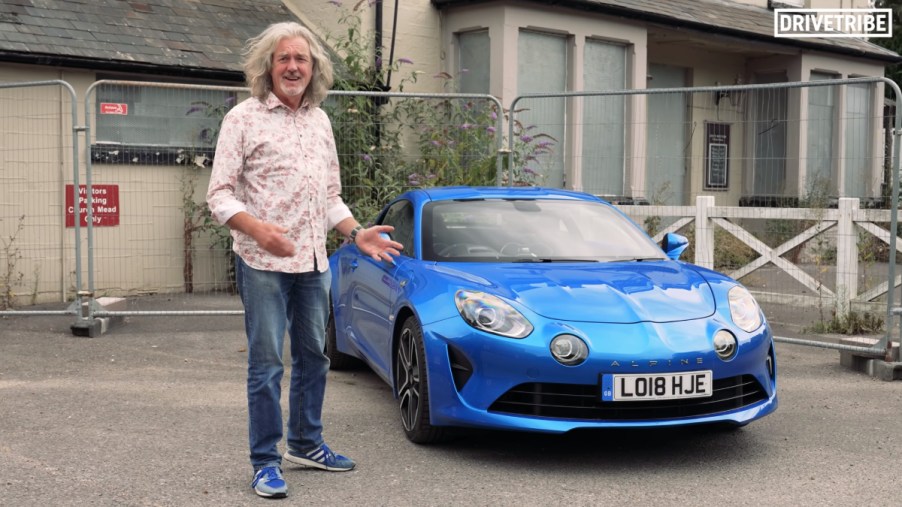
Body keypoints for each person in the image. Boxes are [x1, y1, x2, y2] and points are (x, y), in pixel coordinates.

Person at [206, 22, 402, 499]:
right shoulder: (243, 119)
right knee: (267, 364)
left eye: (301, 59)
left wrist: (356, 233)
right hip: (261, 263)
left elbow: (330, 197)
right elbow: (219, 196)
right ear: (268, 67)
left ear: (313, 69)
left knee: (315, 357)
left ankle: (306, 443)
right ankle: (265, 462)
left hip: (314, 263)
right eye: (284, 58)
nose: (293, 67)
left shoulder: (320, 121)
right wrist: (258, 229)